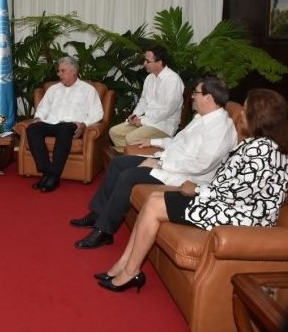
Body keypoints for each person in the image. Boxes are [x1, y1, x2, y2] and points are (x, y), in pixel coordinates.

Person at [96, 88, 288, 292]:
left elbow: (237, 193)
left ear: (259, 117)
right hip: (229, 205)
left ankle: (130, 270)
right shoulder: (268, 146)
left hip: (239, 216)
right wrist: (201, 189)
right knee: (154, 199)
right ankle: (125, 265)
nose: (241, 114)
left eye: (246, 109)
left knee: (154, 205)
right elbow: (234, 187)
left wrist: (198, 190)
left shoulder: (261, 150)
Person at [70, 76, 237, 249]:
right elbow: (179, 142)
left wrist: (160, 165)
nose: (193, 96)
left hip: (186, 176)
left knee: (129, 176)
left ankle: (104, 231)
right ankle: (97, 214)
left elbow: (202, 166)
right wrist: (154, 143)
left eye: (196, 93)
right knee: (118, 163)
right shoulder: (201, 117)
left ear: (208, 97)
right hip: (169, 162)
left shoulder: (220, 128)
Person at [25, 56, 104, 193]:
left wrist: (84, 124)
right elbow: (43, 107)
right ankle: (47, 172)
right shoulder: (53, 89)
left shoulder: (88, 90)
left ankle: (53, 176)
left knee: (65, 128)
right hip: (51, 122)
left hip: (70, 124)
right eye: (58, 71)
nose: (59, 74)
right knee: (32, 129)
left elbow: (97, 113)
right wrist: (38, 117)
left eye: (63, 71)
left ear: (74, 71)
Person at [109, 46, 184, 150]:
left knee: (131, 138)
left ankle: (133, 159)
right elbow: (143, 100)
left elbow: (166, 111)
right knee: (115, 132)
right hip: (147, 121)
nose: (144, 63)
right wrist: (135, 115)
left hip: (163, 125)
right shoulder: (150, 78)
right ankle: (129, 158)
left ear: (160, 62)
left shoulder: (173, 80)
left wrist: (143, 121)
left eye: (148, 61)